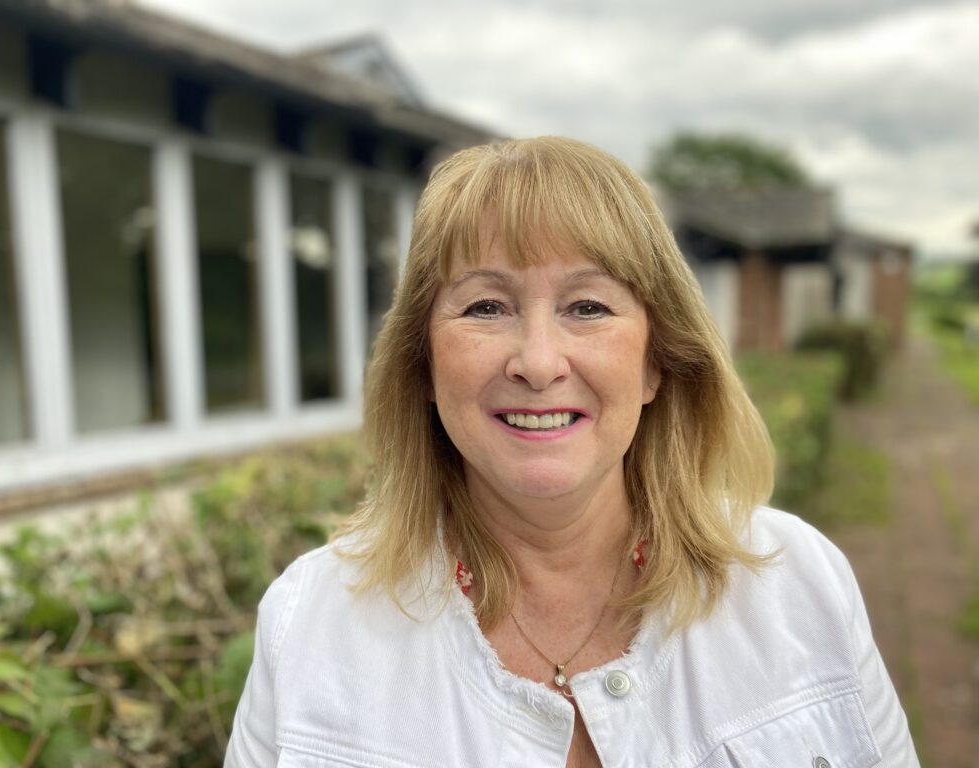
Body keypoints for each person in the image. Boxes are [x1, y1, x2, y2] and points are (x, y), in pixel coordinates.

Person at [225, 136, 919, 767]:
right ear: (424, 368)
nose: (537, 361)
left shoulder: (800, 585)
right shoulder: (308, 626)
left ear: (656, 362)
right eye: (485, 307)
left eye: (587, 307)